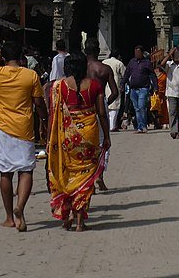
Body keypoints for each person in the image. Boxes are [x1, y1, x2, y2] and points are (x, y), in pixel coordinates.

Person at [0, 41, 48, 232]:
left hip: (3, 130)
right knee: (26, 171)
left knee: (5, 172)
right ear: (22, 57)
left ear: (4, 57)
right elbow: (38, 103)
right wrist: (45, 120)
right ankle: (20, 206)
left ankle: (9, 218)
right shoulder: (30, 75)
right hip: (24, 129)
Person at [47, 52, 110, 232]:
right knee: (86, 176)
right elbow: (102, 114)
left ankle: (66, 217)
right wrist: (107, 136)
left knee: (66, 173)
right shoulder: (95, 86)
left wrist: (49, 139)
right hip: (89, 134)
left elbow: (53, 114)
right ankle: (80, 222)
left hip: (65, 136)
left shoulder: (58, 87)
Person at [84, 38, 118, 190]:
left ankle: (86, 178)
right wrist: (105, 103)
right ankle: (99, 176)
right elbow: (115, 92)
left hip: (82, 107)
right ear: (98, 51)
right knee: (103, 142)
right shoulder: (104, 69)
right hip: (100, 104)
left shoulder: (80, 68)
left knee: (84, 142)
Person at [123, 45, 158, 132]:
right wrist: (122, 83)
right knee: (137, 108)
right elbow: (127, 74)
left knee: (142, 106)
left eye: (138, 52)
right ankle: (140, 126)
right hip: (133, 89)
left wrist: (155, 86)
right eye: (135, 52)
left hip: (143, 88)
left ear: (142, 53)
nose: (137, 54)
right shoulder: (132, 62)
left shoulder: (147, 63)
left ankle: (143, 126)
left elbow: (152, 75)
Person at [161, 47, 179, 138]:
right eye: (175, 55)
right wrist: (169, 54)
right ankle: (174, 131)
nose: (177, 56)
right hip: (171, 92)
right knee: (172, 111)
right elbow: (161, 64)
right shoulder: (169, 65)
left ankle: (178, 129)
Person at [102, 49, 126, 131]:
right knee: (115, 107)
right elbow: (124, 75)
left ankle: (108, 125)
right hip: (114, 85)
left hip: (105, 86)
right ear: (118, 56)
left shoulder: (104, 62)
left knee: (106, 106)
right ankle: (112, 126)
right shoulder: (119, 63)